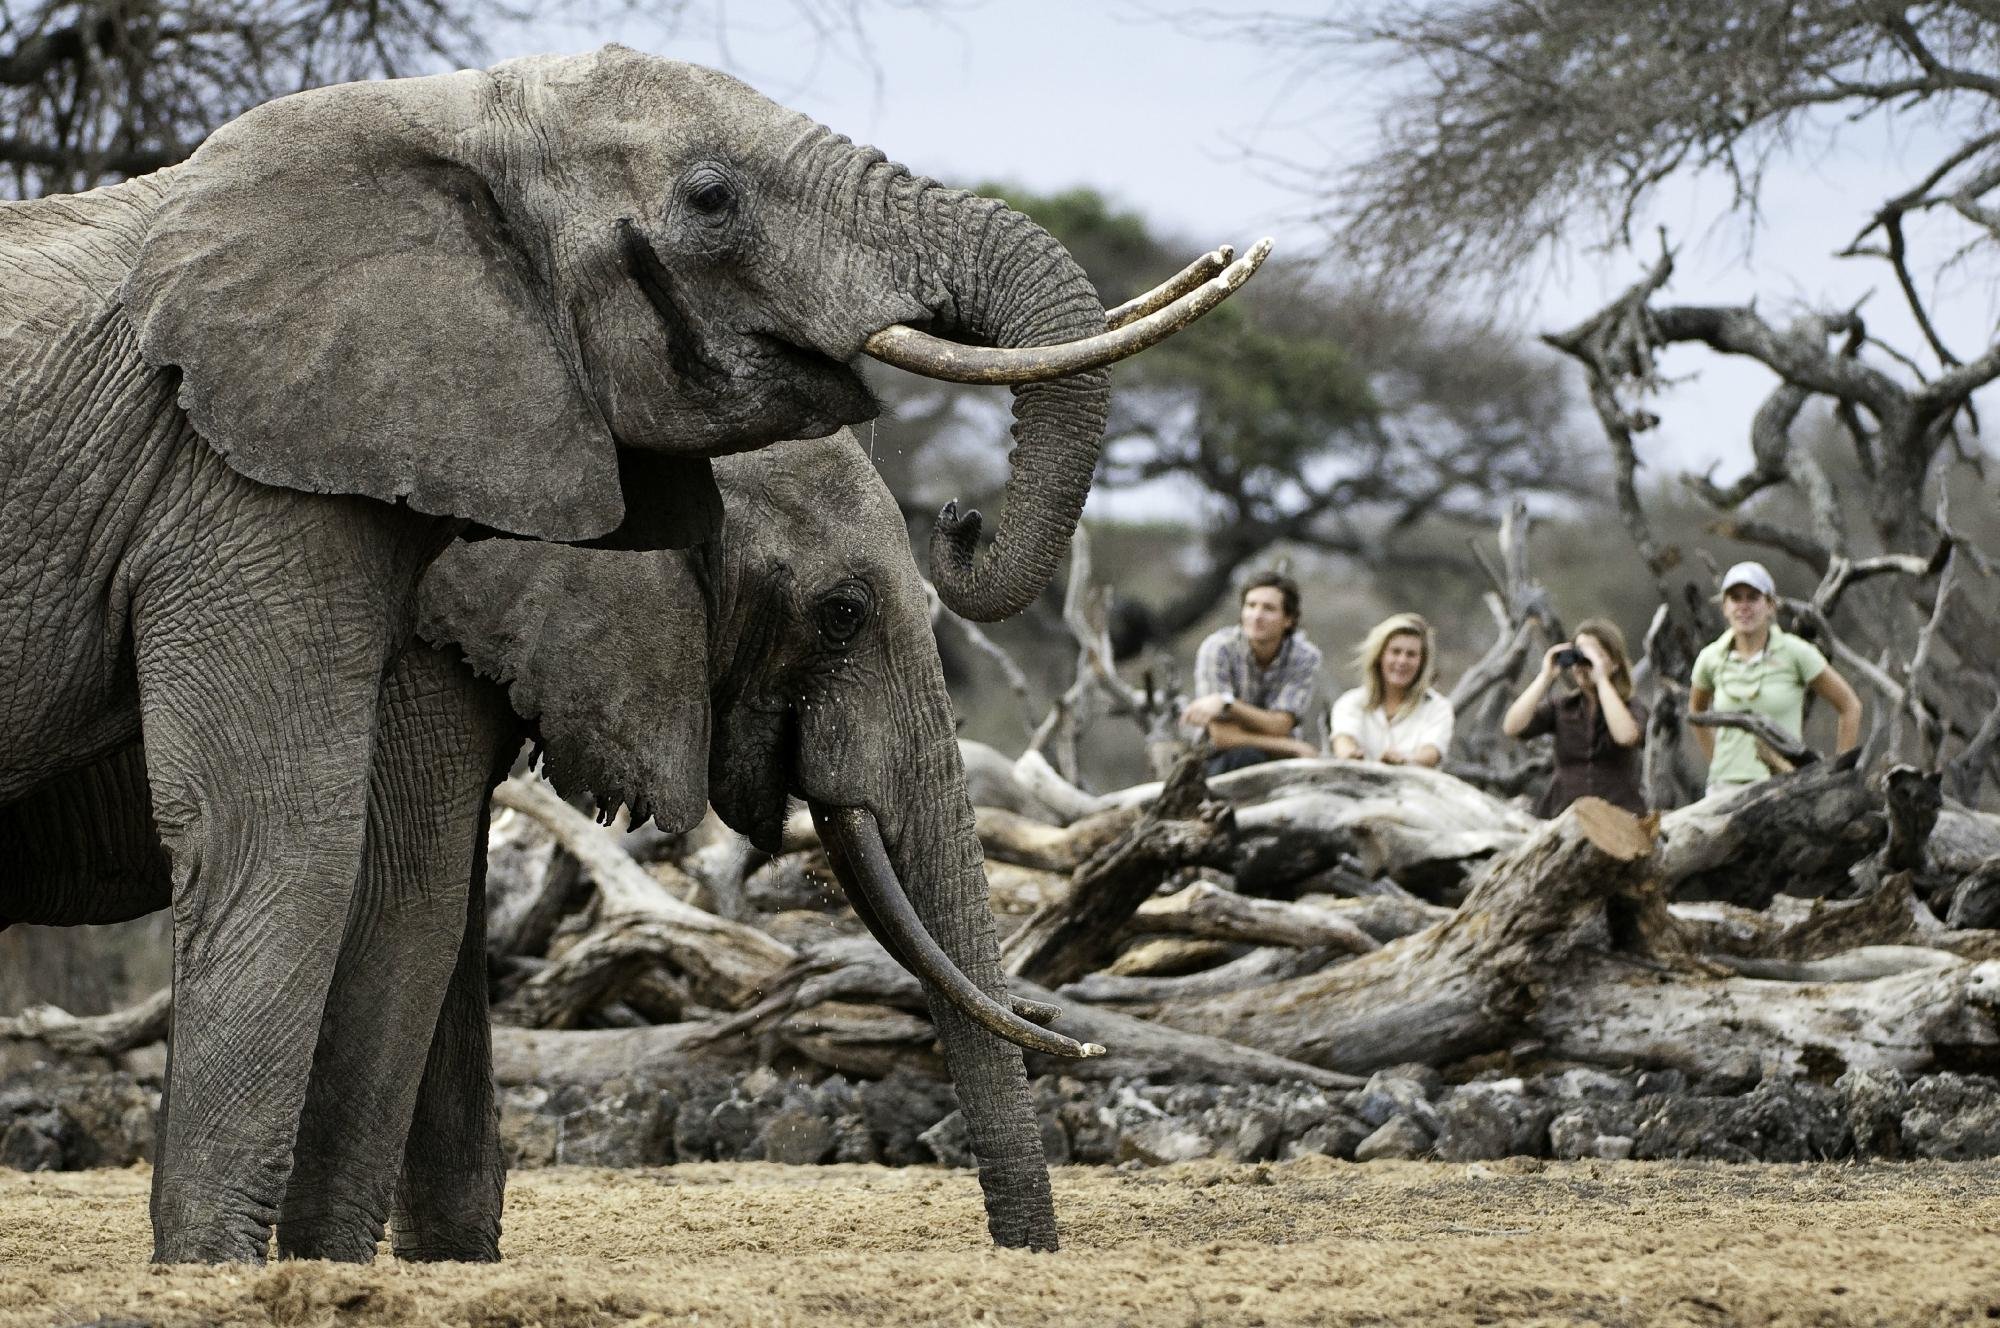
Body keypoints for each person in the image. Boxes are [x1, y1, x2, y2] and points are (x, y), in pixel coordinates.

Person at [1688, 560, 1863, 795]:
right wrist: (1716, 760)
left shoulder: (1796, 652)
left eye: (1753, 597)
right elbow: (1696, 714)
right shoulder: (1711, 658)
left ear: (1770, 605)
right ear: (1725, 607)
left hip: (1783, 785)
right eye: (1736, 598)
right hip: (1725, 788)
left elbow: (1849, 706)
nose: (1744, 606)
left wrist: (1839, 775)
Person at [1179, 572, 1325, 775]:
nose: (1256, 616)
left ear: (1288, 620)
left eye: (1269, 608)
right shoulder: (1218, 648)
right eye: (1251, 605)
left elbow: (1281, 725)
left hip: (1279, 757)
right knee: (1245, 756)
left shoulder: (1304, 656)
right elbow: (1222, 736)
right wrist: (1291, 745)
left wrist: (1227, 704)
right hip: (1217, 759)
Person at [1501, 618, 1647, 816]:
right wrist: (1546, 676)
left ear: (1615, 664)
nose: (1582, 665)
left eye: (1593, 656)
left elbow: (1626, 736)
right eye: (1579, 655)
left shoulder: (1631, 707)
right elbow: (1512, 727)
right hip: (1564, 814)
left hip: (1619, 818)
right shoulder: (1562, 707)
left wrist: (1602, 679)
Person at [1330, 612, 1454, 766]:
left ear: (1422, 662)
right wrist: (1351, 756)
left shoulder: (1438, 708)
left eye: (1411, 654)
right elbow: (1343, 741)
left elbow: (1431, 753)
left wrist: (1404, 762)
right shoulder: (1350, 703)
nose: (1402, 661)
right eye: (1395, 652)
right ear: (1379, 656)